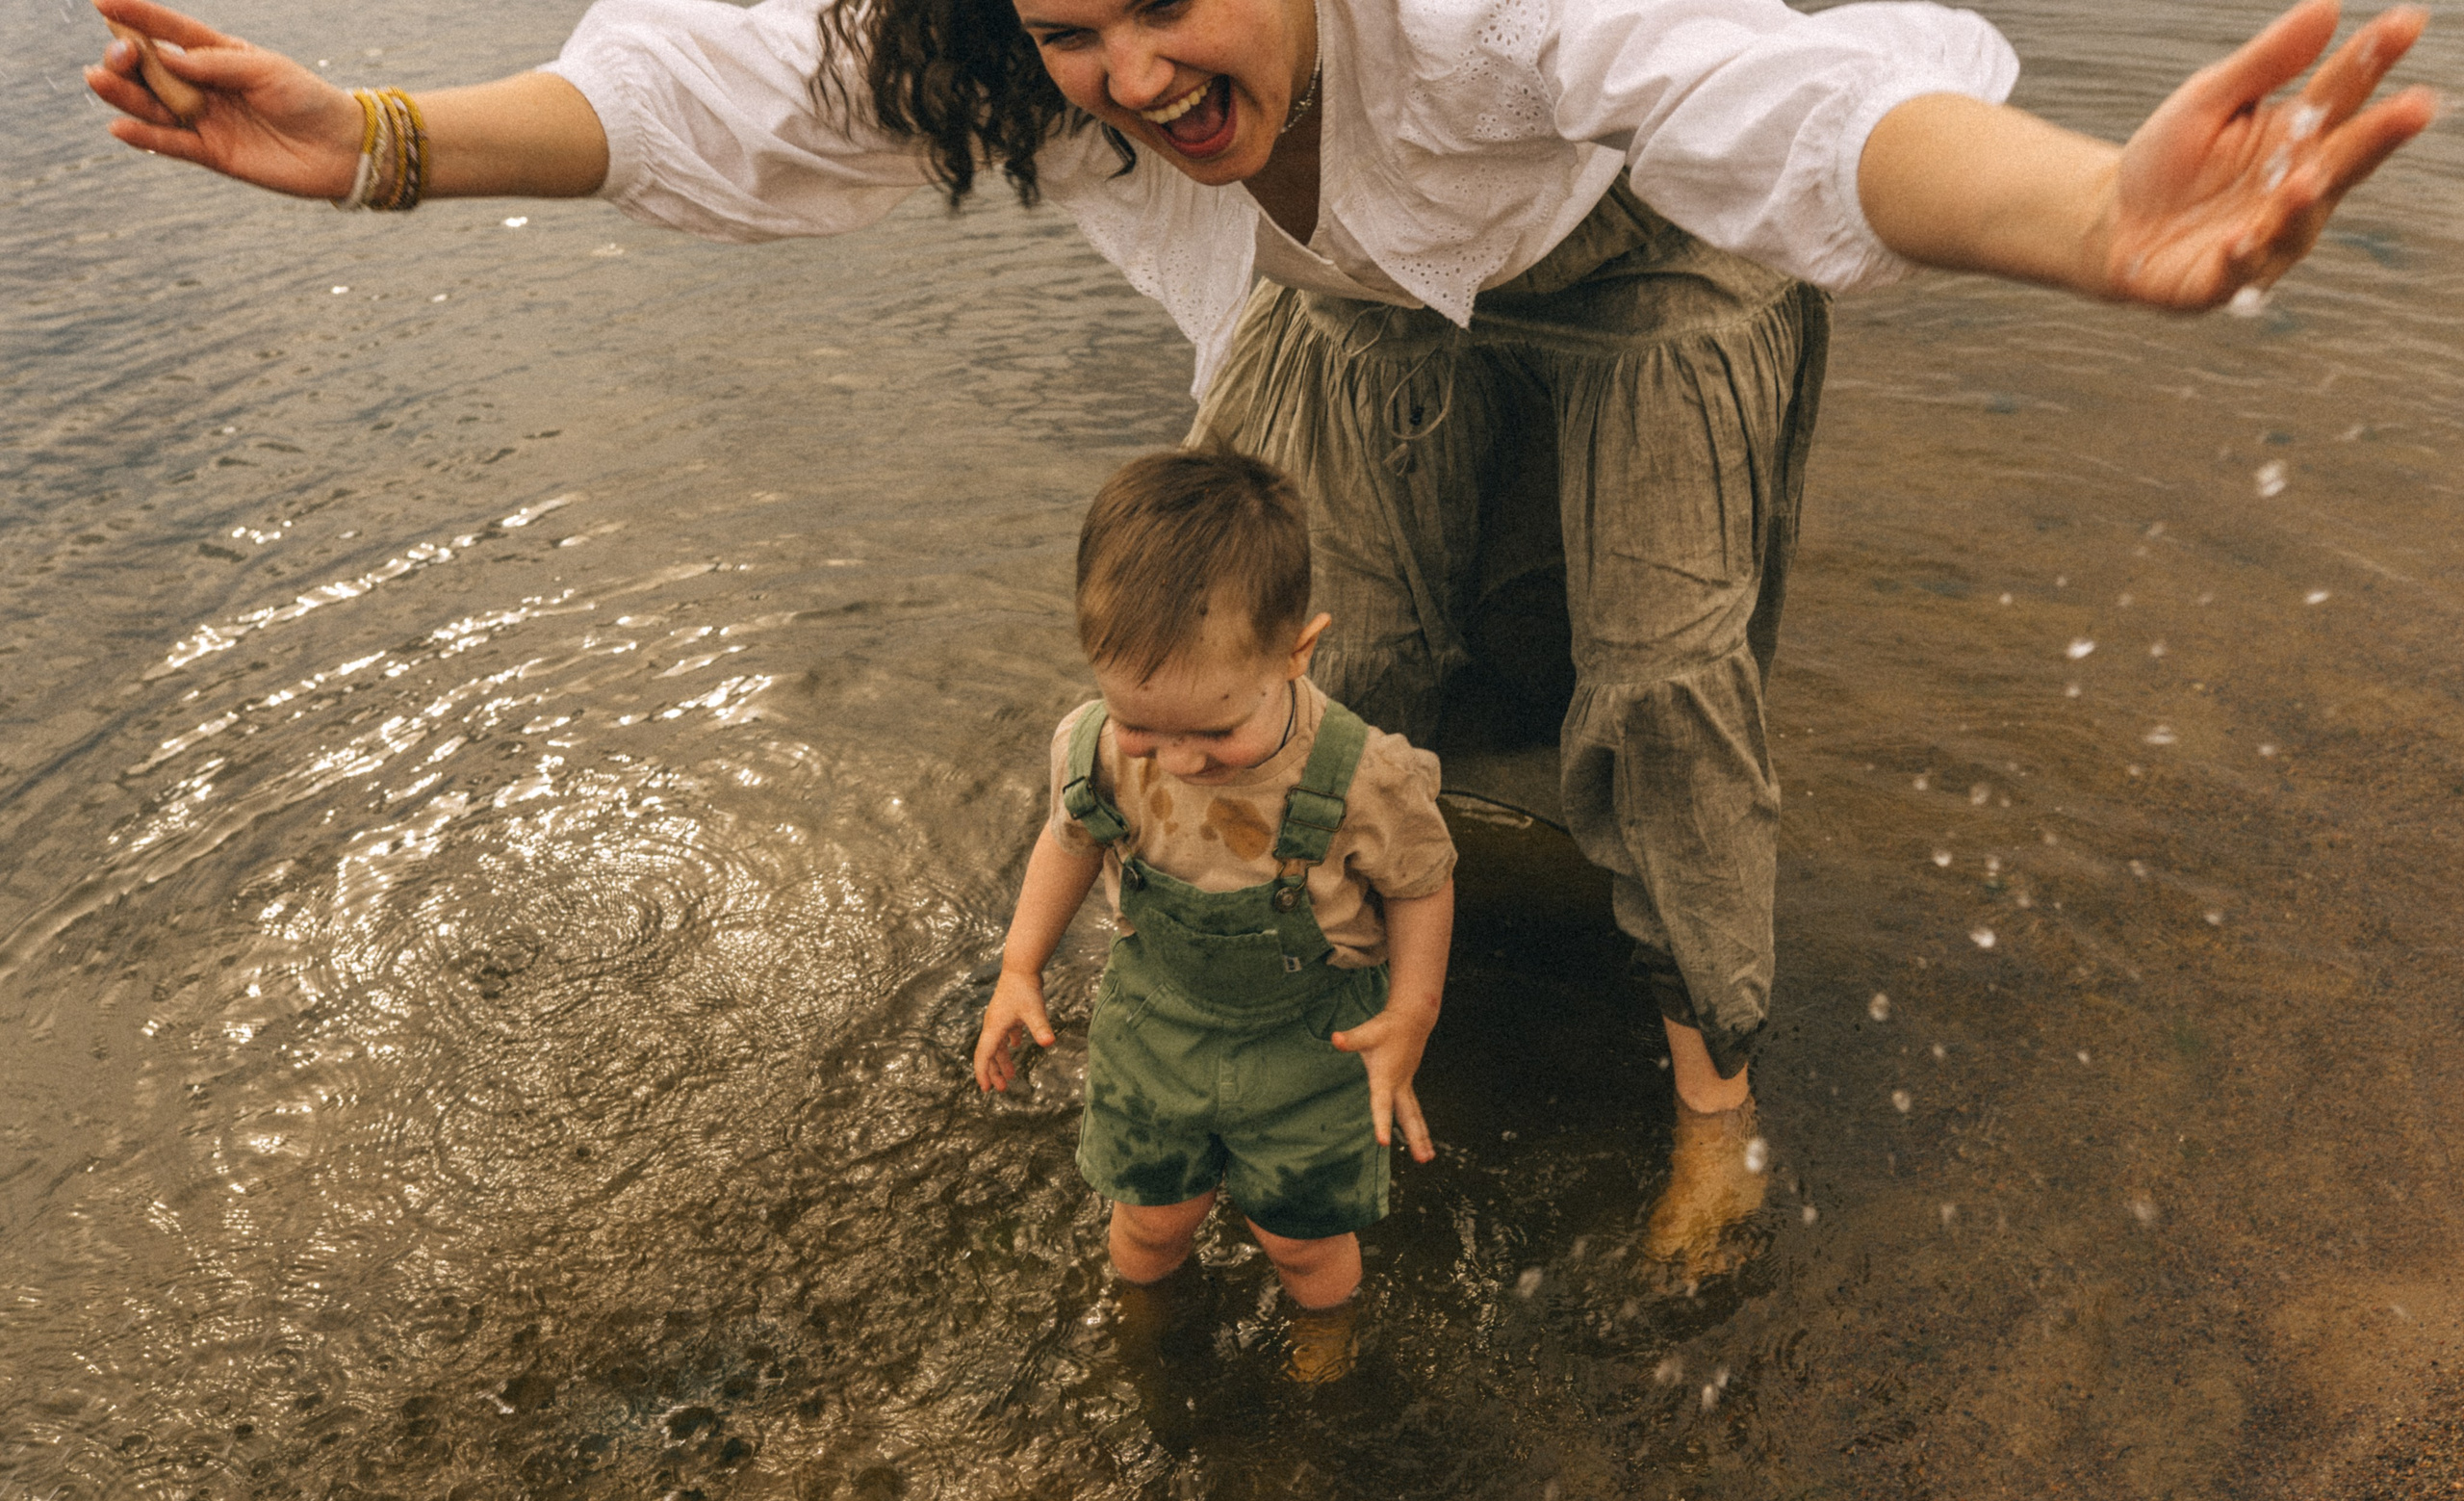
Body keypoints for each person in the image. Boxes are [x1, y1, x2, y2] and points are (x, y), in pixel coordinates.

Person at [86, 0, 2437, 1272]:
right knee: (1311, 659)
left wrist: (2080, 210)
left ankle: (1709, 1091)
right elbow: (720, 89)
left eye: (1166, 12)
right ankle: (1325, 1016)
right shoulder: (1043, 52)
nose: (1122, 82)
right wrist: (382, 131)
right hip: (1336, 304)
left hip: (1646, 271)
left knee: (1656, 679)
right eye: (1076, 34)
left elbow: (1780, 97)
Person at [973, 447, 1455, 1379]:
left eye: (1216, 730)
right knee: (1147, 1219)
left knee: (1300, 1240)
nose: (1181, 762)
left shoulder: (1363, 775)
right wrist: (1019, 967)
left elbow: (1420, 885)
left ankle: (1324, 1348)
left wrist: (1411, 1018)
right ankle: (1144, 1329)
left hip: (1315, 1045)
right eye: (1143, 726)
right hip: (1156, 1024)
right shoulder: (1093, 745)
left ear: (1295, 653)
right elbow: (1072, 839)